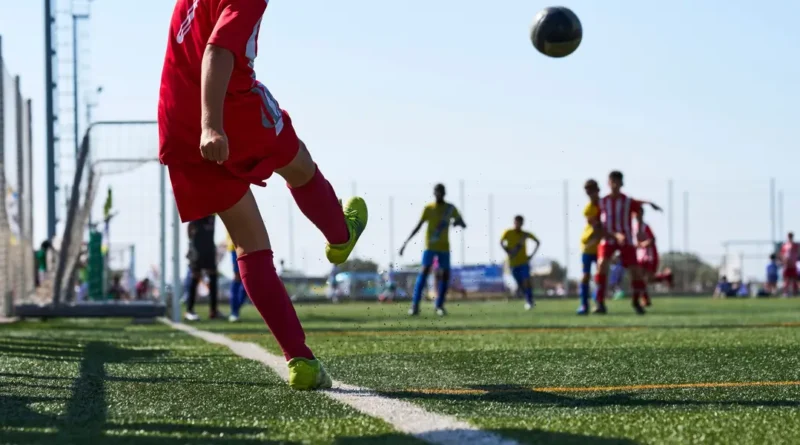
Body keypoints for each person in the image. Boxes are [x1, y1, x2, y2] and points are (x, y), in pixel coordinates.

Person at [158, 0, 368, 390]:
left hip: (176, 123)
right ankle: (341, 237)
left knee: (249, 243)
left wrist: (202, 126)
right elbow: (218, 50)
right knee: (300, 164)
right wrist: (212, 126)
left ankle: (300, 361)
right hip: (227, 109)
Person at [594, 170, 661, 315]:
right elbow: (598, 224)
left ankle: (636, 302)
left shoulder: (627, 201)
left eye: (618, 182)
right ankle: (600, 303)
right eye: (613, 182)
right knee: (601, 265)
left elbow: (638, 207)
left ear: (621, 183)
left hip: (627, 240)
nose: (615, 185)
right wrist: (613, 234)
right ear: (608, 183)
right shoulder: (603, 202)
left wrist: (648, 207)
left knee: (635, 271)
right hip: (608, 239)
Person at [399, 183, 465, 316]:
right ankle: (415, 305)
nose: (439, 194)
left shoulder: (450, 208)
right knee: (423, 273)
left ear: (444, 193)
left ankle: (439, 306)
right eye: (437, 192)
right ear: (434, 193)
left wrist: (456, 222)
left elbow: (463, 223)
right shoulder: (428, 208)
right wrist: (405, 243)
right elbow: (418, 226)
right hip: (430, 247)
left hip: (444, 247)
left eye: (441, 192)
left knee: (445, 275)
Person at [185, 215, 222, 321]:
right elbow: (190, 226)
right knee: (195, 276)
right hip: (197, 248)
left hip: (209, 247)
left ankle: (213, 311)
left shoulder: (213, 212)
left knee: (213, 276)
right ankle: (189, 310)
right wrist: (192, 244)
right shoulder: (198, 208)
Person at [634, 207, 673, 307]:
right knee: (645, 279)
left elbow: (652, 239)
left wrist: (642, 245)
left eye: (639, 213)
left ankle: (645, 299)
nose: (637, 215)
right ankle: (665, 277)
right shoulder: (633, 226)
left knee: (644, 278)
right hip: (639, 256)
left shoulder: (645, 226)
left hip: (649, 255)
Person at [500, 215, 540, 310]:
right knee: (520, 284)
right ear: (514, 222)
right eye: (516, 222)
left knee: (526, 280)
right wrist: (507, 251)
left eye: (519, 222)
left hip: (524, 262)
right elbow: (501, 242)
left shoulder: (525, 234)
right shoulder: (508, 233)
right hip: (513, 264)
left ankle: (529, 301)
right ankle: (528, 298)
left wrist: (531, 255)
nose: (517, 224)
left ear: (522, 223)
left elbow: (537, 242)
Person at [578, 179, 601, 315]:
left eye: (591, 191)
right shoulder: (588, 209)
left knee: (600, 276)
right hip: (588, 245)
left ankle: (599, 303)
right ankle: (584, 305)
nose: (590, 195)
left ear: (597, 190)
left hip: (601, 246)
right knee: (586, 275)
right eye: (587, 193)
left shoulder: (605, 204)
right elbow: (596, 227)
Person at [227, 232, 248, 322]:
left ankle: (236, 309)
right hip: (235, 246)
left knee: (248, 279)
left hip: (252, 245)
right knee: (238, 277)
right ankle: (234, 312)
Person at [779, 232, 799, 296]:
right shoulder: (785, 245)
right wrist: (783, 261)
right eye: (789, 236)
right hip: (787, 266)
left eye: (791, 236)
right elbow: (781, 254)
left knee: (794, 280)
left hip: (793, 266)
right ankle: (785, 293)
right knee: (786, 280)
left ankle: (795, 293)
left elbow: (797, 253)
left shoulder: (795, 245)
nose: (790, 237)